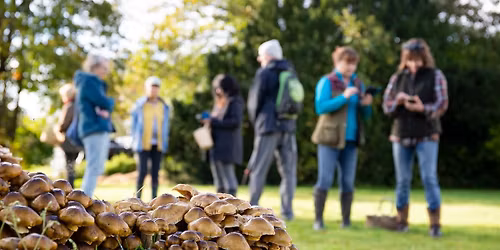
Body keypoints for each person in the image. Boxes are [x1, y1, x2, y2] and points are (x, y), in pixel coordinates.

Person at [382, 38, 448, 237]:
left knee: (429, 178)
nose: (414, 63)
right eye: (410, 59)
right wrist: (399, 102)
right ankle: (401, 222)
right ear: (405, 59)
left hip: (427, 134)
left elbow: (442, 104)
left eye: (418, 59)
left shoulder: (435, 76)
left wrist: (422, 108)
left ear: (424, 57)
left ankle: (435, 225)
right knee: (402, 180)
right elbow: (386, 106)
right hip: (401, 135)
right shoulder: (397, 78)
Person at [311, 46, 373, 230]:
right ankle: (318, 221)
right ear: (337, 63)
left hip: (351, 140)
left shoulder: (358, 83)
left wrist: (367, 105)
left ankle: (346, 221)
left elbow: (366, 116)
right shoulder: (327, 82)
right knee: (325, 179)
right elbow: (320, 107)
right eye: (346, 63)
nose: (350, 67)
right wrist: (344, 97)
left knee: (347, 181)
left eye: (353, 63)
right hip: (329, 138)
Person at [247, 39, 297, 220]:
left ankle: (252, 208)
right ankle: (288, 211)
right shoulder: (290, 71)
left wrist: (257, 123)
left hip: (267, 127)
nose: (260, 60)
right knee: (289, 171)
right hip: (288, 127)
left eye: (260, 56)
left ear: (267, 56)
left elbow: (254, 102)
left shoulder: (264, 73)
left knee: (259, 169)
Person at [74, 54, 114, 197]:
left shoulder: (93, 83)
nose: (105, 71)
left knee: (96, 167)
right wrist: (109, 103)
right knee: (93, 166)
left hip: (96, 128)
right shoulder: (89, 82)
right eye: (103, 68)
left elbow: (101, 104)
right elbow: (104, 102)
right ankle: (84, 199)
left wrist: (104, 107)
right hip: (94, 128)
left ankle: (85, 198)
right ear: (94, 67)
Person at [203, 74, 244, 197]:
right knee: (219, 180)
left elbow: (235, 122)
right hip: (215, 145)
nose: (217, 91)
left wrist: (214, 121)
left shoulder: (235, 101)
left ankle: (232, 205)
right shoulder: (219, 102)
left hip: (227, 145)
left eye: (220, 87)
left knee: (229, 179)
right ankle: (219, 207)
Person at [131, 76, 170, 199]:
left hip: (157, 144)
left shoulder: (163, 106)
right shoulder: (140, 105)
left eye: (156, 88)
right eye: (151, 87)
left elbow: (166, 125)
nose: (154, 90)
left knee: (155, 174)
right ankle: (137, 199)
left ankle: (154, 199)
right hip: (142, 143)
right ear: (147, 89)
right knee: (142, 172)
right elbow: (134, 124)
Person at [54, 83, 81, 187]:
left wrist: (57, 129)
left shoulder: (69, 106)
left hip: (69, 140)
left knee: (69, 166)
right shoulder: (78, 106)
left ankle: (69, 188)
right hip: (77, 140)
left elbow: (64, 123)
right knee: (71, 166)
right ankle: (71, 187)